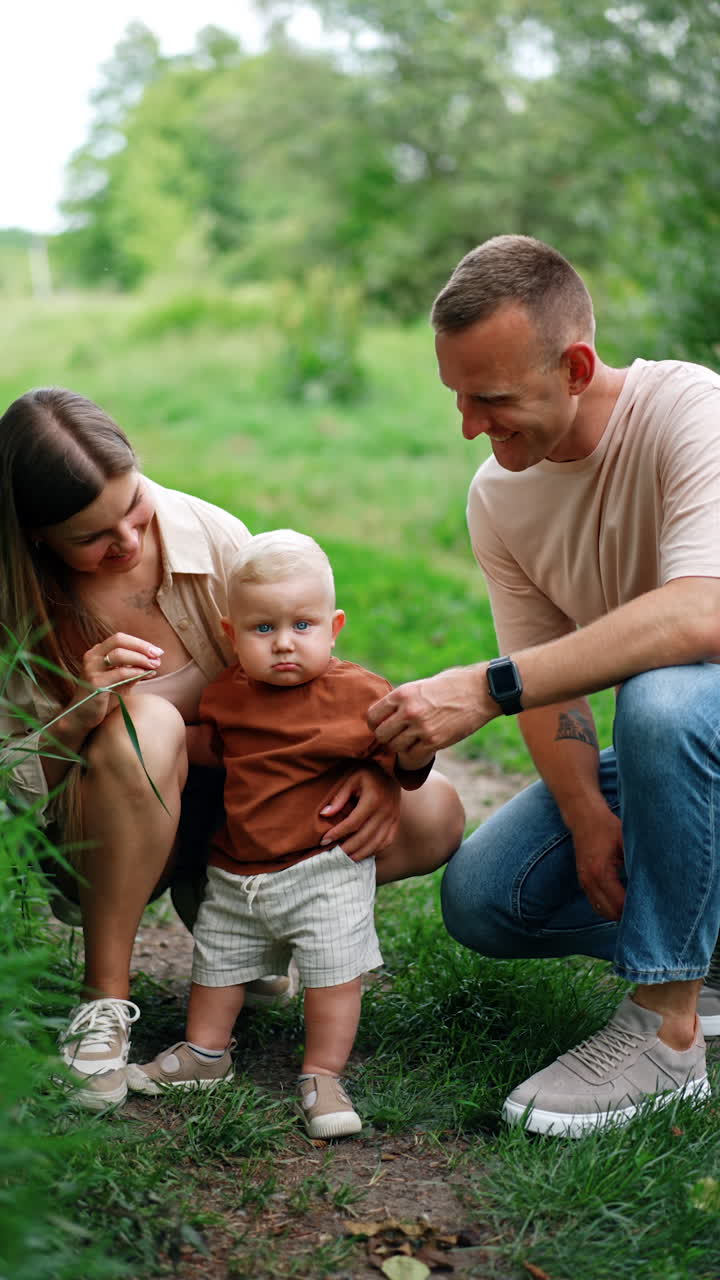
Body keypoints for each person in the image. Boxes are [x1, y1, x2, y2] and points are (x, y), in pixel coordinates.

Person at [0, 388, 465, 1112]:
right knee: (148, 722)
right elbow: (20, 792)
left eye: (134, 508)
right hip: (101, 830)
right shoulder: (16, 602)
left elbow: (304, 672)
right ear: (36, 536)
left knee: (433, 811)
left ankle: (252, 927)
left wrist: (372, 769)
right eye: (93, 537)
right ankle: (103, 1001)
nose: (126, 542)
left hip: (245, 807)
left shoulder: (212, 538)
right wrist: (85, 710)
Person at [368, 233, 720, 1136]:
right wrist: (588, 818)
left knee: (665, 692)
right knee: (489, 896)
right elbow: (550, 688)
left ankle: (664, 1033)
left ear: (574, 365)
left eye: (490, 399)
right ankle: (701, 953)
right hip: (687, 758)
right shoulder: (500, 497)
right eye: (457, 398)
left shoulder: (691, 412)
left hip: (694, 718)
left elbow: (700, 616)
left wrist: (485, 689)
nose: (469, 428)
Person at [126, 530, 435, 1137]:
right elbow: (207, 747)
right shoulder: (227, 696)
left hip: (324, 868)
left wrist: (393, 765)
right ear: (230, 635)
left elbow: (403, 754)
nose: (285, 644)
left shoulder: (360, 694)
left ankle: (323, 1073)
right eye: (262, 629)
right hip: (238, 870)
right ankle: (205, 1053)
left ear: (334, 626)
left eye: (303, 625)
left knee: (333, 974)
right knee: (216, 964)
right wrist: (137, 738)